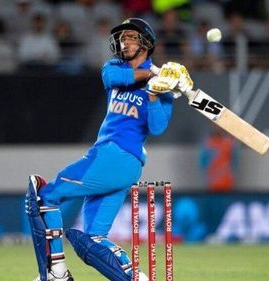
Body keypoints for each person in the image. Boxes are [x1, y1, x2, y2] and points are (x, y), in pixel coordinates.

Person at [25, 18, 193, 281]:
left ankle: (55, 274)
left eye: (130, 37)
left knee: (44, 196)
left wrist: (154, 94)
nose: (124, 42)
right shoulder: (116, 67)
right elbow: (113, 77)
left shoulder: (162, 88)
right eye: (122, 37)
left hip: (116, 156)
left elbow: (157, 127)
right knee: (89, 240)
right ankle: (136, 278)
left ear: (146, 42)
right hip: (115, 162)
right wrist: (153, 75)